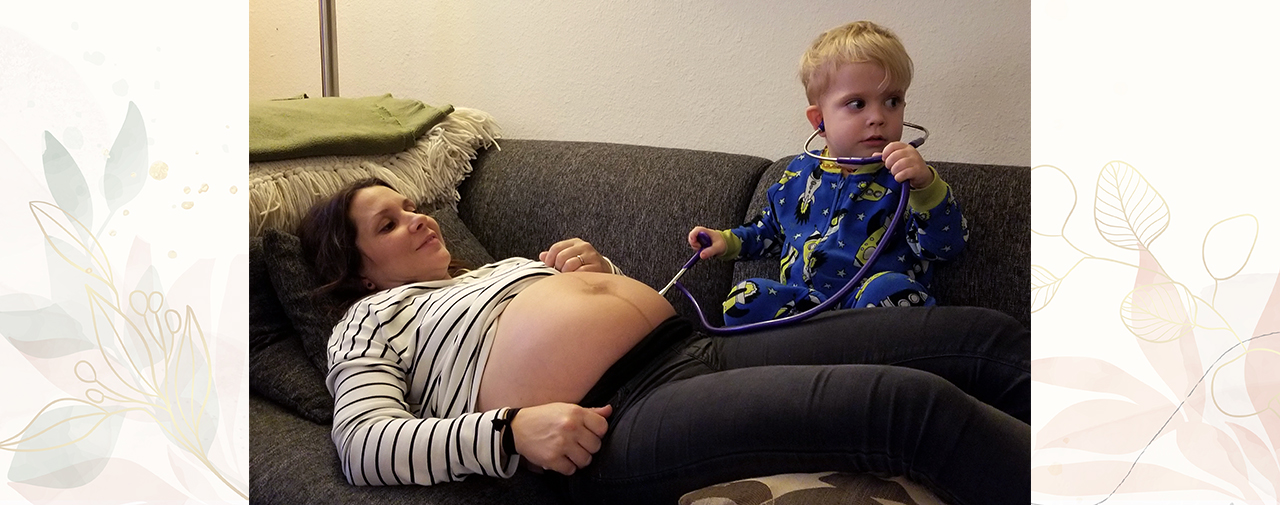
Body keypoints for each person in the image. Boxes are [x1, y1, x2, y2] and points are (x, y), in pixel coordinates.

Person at [298, 177, 1029, 505]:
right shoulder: (371, 319)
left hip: (693, 347)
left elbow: (618, 308)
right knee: (905, 406)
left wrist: (601, 272)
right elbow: (363, 441)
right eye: (389, 225)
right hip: (621, 416)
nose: (419, 220)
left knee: (978, 337)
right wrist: (511, 430)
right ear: (356, 270)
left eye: (411, 206)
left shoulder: (492, 267)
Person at [688, 20, 967, 326]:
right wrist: (725, 242)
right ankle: (806, 356)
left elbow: (945, 247)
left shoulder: (907, 177)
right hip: (805, 308)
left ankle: (854, 358)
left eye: (892, 101)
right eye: (857, 104)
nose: (878, 117)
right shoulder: (797, 173)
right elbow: (770, 231)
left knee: (890, 289)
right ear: (819, 121)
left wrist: (926, 187)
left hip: (869, 308)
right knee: (746, 297)